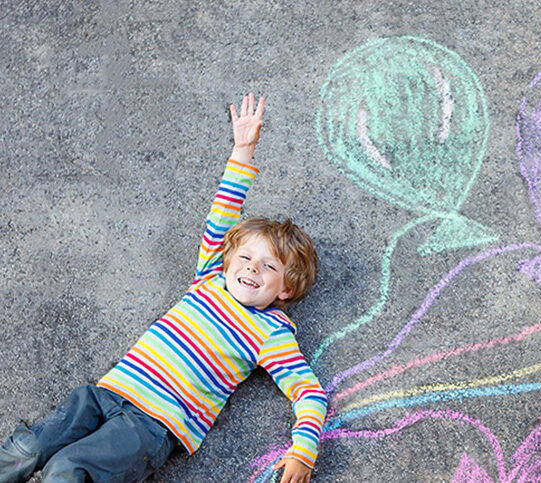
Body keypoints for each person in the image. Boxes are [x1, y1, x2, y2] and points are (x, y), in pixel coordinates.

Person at [0, 93, 327, 483]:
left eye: (269, 266)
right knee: (28, 448)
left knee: (68, 469)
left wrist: (303, 452)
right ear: (227, 261)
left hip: (151, 425)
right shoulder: (210, 277)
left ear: (286, 289)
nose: (252, 268)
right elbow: (223, 213)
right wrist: (243, 150)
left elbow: (308, 392)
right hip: (107, 393)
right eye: (245, 257)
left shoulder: (271, 332)